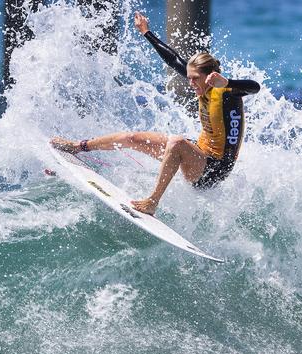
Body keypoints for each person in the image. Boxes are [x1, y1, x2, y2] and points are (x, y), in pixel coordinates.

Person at [51, 11, 260, 215]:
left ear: (209, 76)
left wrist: (228, 82)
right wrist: (146, 32)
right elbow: (174, 59)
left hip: (214, 170)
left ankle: (152, 202)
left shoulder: (227, 94)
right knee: (131, 137)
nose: (191, 83)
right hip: (199, 153)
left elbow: (254, 87)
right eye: (189, 77)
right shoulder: (198, 81)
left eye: (195, 78)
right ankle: (77, 146)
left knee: (176, 142)